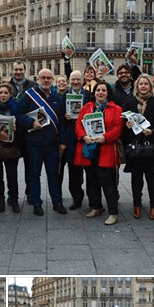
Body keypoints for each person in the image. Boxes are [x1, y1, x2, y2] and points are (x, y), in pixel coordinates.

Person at [17, 68, 68, 216]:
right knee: (34, 174)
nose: (46, 80)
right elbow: (18, 114)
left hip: (52, 143)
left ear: (52, 80)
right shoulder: (29, 96)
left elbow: (62, 123)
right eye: (43, 78)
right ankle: (36, 203)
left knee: (53, 174)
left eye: (49, 78)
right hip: (34, 143)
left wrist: (63, 142)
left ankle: (57, 203)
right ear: (38, 79)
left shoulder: (57, 97)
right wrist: (31, 123)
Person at [75, 82, 123, 225]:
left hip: (106, 149)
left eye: (103, 90)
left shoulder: (116, 109)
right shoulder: (87, 107)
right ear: (94, 92)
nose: (100, 93)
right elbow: (78, 124)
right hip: (90, 149)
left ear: (108, 93)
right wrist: (84, 136)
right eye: (98, 90)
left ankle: (113, 212)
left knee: (108, 183)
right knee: (91, 180)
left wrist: (105, 137)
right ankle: (96, 206)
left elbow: (118, 128)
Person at [122, 74, 154, 220]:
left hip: (152, 148)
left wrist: (151, 132)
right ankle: (137, 205)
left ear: (150, 87)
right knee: (136, 179)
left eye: (146, 84)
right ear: (136, 87)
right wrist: (127, 126)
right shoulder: (130, 103)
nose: (143, 86)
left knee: (152, 179)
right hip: (135, 148)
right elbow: (122, 126)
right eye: (140, 84)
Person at [60, 70, 91, 210]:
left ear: (82, 80)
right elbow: (58, 118)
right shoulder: (63, 96)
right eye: (73, 79)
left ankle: (93, 197)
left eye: (78, 79)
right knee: (73, 170)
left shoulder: (89, 96)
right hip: (71, 138)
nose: (76, 82)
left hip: (86, 137)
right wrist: (64, 117)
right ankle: (77, 197)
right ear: (69, 80)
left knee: (90, 170)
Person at [0, 82, 21, 213]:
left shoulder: (15, 106)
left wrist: (16, 127)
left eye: (6, 93)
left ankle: (14, 200)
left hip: (11, 145)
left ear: (10, 94)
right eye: (1, 92)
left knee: (12, 175)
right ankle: (1, 201)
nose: (3, 95)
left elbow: (22, 122)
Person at [8, 60, 36, 200]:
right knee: (11, 166)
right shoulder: (7, 86)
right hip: (11, 132)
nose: (18, 72)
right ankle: (12, 195)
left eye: (20, 69)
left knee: (29, 164)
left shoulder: (33, 86)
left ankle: (30, 191)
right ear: (12, 70)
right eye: (16, 70)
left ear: (25, 70)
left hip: (27, 132)